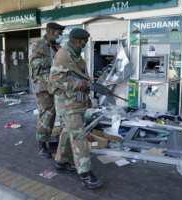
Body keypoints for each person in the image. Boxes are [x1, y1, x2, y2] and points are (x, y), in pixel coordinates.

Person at [49, 28, 103, 189]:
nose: (85, 45)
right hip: (67, 104)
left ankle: (61, 161)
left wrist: (87, 88)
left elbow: (80, 77)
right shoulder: (63, 55)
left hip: (76, 103)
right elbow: (54, 80)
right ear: (77, 41)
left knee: (67, 132)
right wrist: (80, 84)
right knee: (79, 136)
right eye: (84, 42)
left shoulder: (77, 57)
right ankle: (85, 173)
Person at [29, 22, 65, 158]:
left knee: (56, 114)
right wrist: (54, 74)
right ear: (50, 31)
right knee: (46, 115)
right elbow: (35, 69)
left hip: (56, 86)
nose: (60, 35)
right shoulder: (38, 45)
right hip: (43, 87)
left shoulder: (56, 47)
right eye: (58, 33)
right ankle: (42, 144)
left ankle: (51, 139)